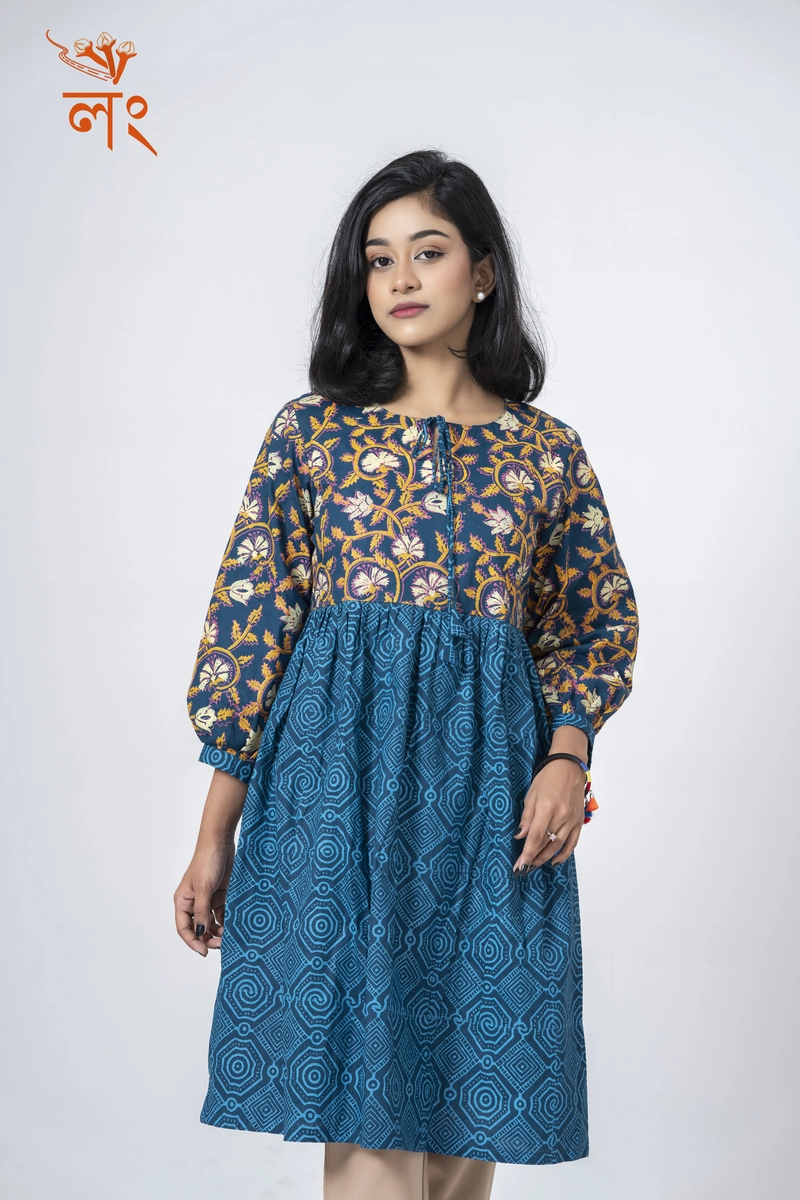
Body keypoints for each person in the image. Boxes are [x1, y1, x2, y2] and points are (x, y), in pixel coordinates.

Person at [174, 148, 639, 1200]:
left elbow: (591, 622)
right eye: (377, 258)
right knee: (367, 1127)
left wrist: (567, 757)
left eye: (427, 252)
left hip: (490, 808)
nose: (399, 279)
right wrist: (212, 838)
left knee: (469, 1120)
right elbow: (250, 633)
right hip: (332, 804)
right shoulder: (310, 435)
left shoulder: (546, 453)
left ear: (484, 271)